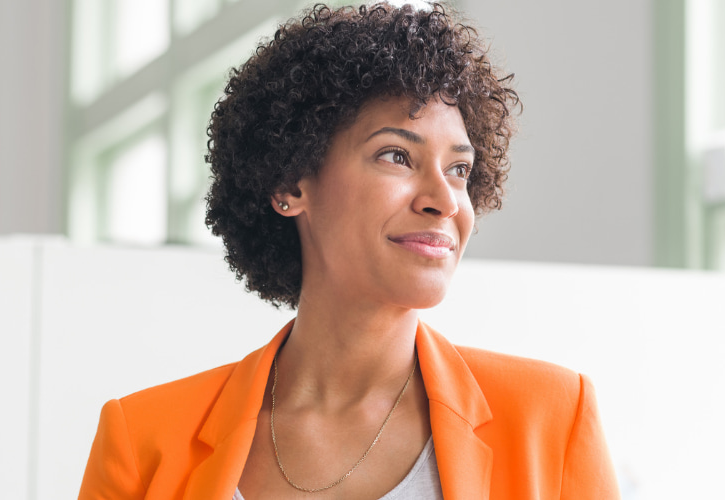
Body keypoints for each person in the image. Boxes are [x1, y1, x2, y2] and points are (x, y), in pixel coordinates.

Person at [78, 3, 619, 499]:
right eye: (396, 156)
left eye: (459, 169)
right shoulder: (143, 441)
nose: (444, 201)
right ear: (291, 185)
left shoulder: (552, 419)